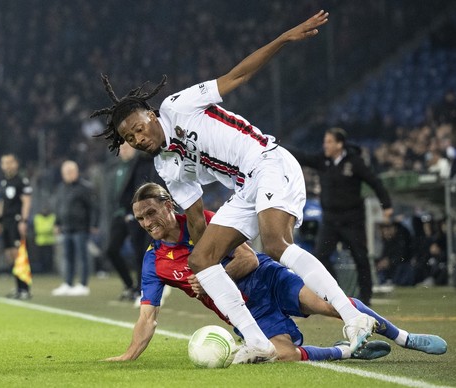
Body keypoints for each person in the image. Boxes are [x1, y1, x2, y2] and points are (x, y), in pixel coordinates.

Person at [92, 10, 377, 362]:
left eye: (138, 127)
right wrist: (209, 269)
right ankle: (256, 341)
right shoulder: (165, 164)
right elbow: (195, 219)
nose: (137, 138)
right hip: (245, 187)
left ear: (151, 116)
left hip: (268, 161)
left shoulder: (177, 106)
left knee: (275, 244)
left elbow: (237, 76)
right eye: (129, 137)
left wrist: (284, 38)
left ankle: (354, 319)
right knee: (201, 259)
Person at [105, 183, 447, 362]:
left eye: (152, 212)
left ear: (168, 205)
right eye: (141, 219)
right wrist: (127, 355)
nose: (148, 223)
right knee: (280, 355)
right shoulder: (154, 262)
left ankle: (405, 338)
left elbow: (249, 260)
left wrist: (210, 281)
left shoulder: (205, 223)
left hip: (266, 278)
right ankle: (346, 351)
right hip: (247, 313)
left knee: (329, 304)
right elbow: (147, 317)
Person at [284, 128, 394, 306]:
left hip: (352, 219)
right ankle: (337, 293)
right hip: (330, 220)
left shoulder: (355, 162)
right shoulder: (323, 160)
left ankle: (366, 297)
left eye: (328, 142)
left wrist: (386, 205)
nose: (324, 145)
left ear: (339, 144)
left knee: (360, 257)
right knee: (320, 256)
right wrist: (278, 146)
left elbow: (374, 181)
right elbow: (303, 157)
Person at [101, 142, 164, 301]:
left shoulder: (142, 164)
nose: (124, 150)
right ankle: (130, 285)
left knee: (140, 252)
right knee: (111, 249)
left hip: (136, 213)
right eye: (122, 148)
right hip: (119, 214)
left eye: (127, 147)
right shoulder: (114, 168)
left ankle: (139, 288)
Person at [51, 160, 98, 296]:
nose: (68, 174)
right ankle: (68, 283)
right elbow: (59, 207)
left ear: (77, 172)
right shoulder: (61, 188)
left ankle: (83, 284)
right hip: (66, 228)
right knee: (67, 257)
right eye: (66, 172)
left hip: (81, 227)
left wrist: (93, 224)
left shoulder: (85, 187)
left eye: (71, 171)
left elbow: (93, 208)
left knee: (82, 257)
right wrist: (57, 223)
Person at [0, 153, 33, 300]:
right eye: (4, 163)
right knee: (9, 255)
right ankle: (18, 287)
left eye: (10, 162)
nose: (7, 165)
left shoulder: (21, 181)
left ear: (16, 164)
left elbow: (27, 201)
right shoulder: (3, 181)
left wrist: (23, 220)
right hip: (6, 221)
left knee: (19, 254)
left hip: (17, 220)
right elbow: (1, 203)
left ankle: (25, 288)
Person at [33, 205, 56, 274]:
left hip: (50, 241)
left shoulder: (52, 217)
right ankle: (42, 272)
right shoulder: (37, 217)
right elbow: (39, 229)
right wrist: (49, 229)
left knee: (49, 258)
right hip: (40, 241)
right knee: (41, 258)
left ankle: (49, 271)